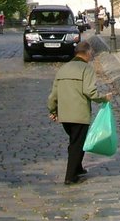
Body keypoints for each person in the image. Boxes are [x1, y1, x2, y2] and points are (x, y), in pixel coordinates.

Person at [47, 40, 109, 185]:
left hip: (64, 115)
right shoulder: (86, 69)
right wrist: (103, 98)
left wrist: (53, 110)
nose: (91, 56)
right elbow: (90, 92)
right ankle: (70, 176)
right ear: (87, 53)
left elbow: (53, 95)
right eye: (91, 54)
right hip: (79, 114)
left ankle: (78, 168)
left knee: (76, 141)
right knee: (77, 143)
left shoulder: (63, 68)